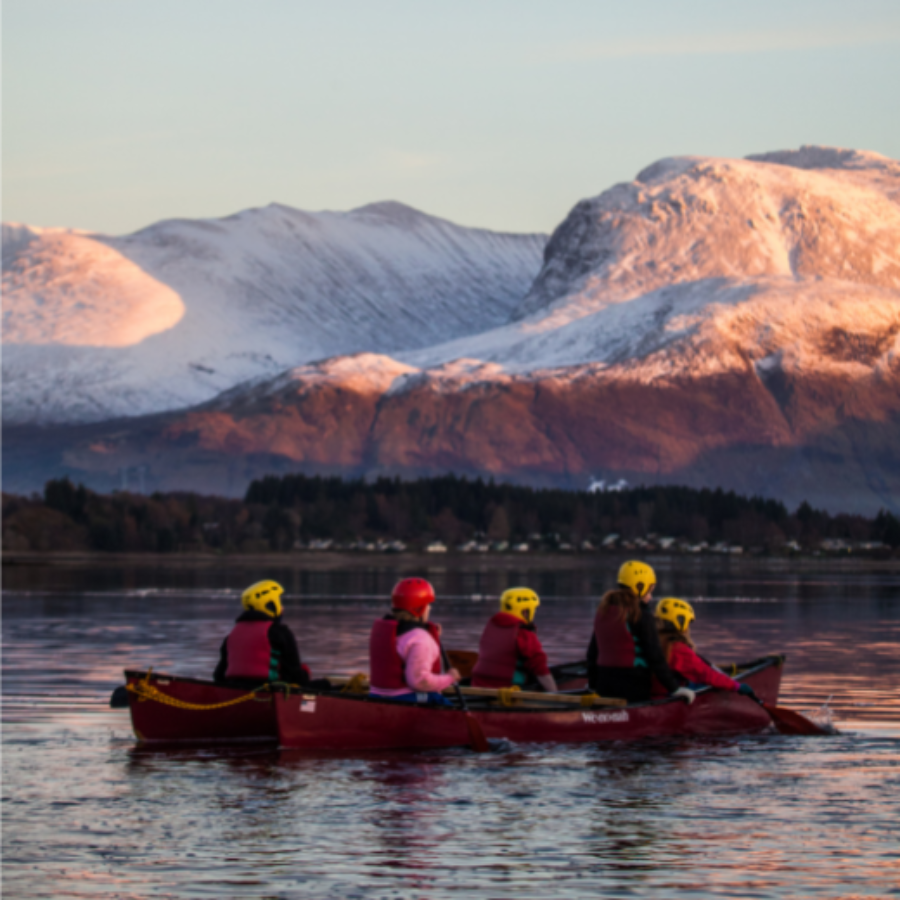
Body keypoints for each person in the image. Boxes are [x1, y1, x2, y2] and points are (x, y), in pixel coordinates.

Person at [586, 560, 695, 705]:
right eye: (649, 591)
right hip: (633, 688)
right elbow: (655, 657)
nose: (650, 597)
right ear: (639, 587)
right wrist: (674, 689)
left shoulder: (603, 611)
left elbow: (592, 654)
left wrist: (593, 686)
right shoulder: (642, 616)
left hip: (604, 685)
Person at [369, 577, 460, 703]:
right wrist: (450, 678)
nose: (430, 608)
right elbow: (419, 682)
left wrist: (431, 637)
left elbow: (405, 644)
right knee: (442, 701)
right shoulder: (421, 640)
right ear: (419, 609)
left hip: (376, 696)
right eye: (428, 605)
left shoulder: (390, 632)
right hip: (404, 699)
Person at [653, 597, 758, 699]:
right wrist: (736, 686)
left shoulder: (653, 641)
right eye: (688, 623)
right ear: (681, 623)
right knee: (707, 683)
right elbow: (706, 674)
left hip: (655, 692)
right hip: (664, 695)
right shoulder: (678, 649)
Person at [213, 580, 310, 686]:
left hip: (235, 692)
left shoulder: (231, 635)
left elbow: (219, 676)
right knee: (326, 684)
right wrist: (305, 673)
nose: (283, 608)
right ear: (271, 604)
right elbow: (296, 677)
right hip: (271, 693)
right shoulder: (281, 633)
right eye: (280, 602)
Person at [471, 588, 558, 692]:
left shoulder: (492, 625)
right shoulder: (524, 632)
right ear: (526, 611)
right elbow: (539, 667)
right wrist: (555, 692)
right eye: (534, 609)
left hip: (477, 684)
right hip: (506, 689)